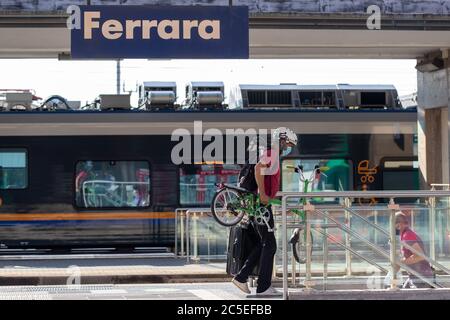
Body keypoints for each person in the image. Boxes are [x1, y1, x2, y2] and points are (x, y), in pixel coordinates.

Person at [231, 127, 298, 296]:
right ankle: (262, 287)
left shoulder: (271, 152)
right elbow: (258, 169)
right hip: (261, 205)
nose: (289, 147)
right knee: (270, 244)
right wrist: (263, 193)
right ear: (281, 140)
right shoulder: (272, 153)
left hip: (260, 204)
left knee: (265, 243)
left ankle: (242, 278)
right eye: (288, 143)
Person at [394, 211, 435, 288]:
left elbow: (420, 256)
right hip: (415, 276)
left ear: (398, 225)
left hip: (421, 278)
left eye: (392, 225)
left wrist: (401, 262)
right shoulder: (405, 235)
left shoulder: (407, 235)